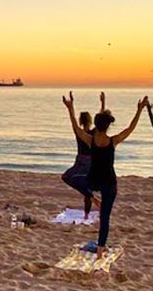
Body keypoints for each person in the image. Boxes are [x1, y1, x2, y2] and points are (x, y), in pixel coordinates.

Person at [63, 91, 148, 259]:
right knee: (105, 218)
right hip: (109, 182)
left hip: (93, 181)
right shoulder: (113, 141)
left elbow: (75, 127)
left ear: (96, 124)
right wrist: (139, 110)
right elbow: (130, 128)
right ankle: (100, 252)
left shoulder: (90, 140)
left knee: (73, 178)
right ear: (108, 126)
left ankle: (93, 199)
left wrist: (70, 108)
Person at [61, 92, 107, 219]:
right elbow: (101, 121)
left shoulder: (80, 133)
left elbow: (73, 121)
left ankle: (92, 204)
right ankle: (90, 207)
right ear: (90, 120)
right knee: (86, 186)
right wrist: (103, 102)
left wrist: (70, 107)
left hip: (81, 162)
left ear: (82, 121)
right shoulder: (94, 133)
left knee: (67, 177)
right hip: (92, 162)